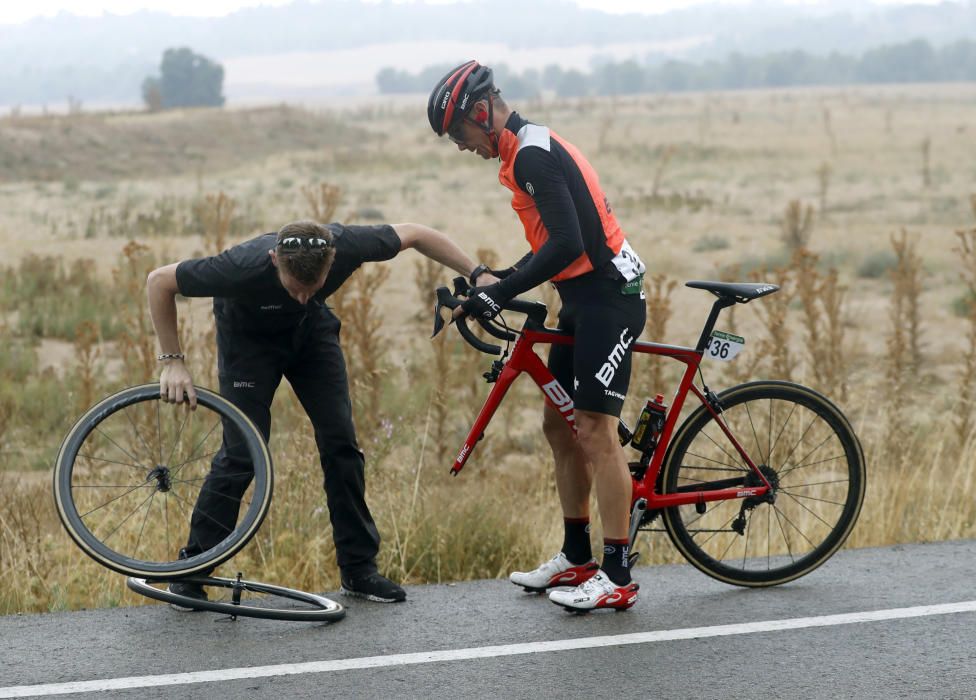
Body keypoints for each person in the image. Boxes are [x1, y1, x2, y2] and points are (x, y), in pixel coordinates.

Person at [147, 220, 486, 607]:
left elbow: (417, 234)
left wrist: (478, 273)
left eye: (314, 287)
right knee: (243, 454)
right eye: (294, 287)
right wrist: (172, 361)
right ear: (274, 260)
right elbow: (159, 281)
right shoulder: (240, 266)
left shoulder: (346, 245)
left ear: (333, 260)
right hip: (248, 344)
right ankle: (191, 572)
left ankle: (359, 570)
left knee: (341, 443)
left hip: (311, 338)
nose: (303, 296)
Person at [428, 61, 648, 612]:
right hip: (581, 297)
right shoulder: (523, 151)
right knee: (560, 423)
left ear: (481, 113)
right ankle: (578, 557)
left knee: (595, 430)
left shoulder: (530, 156)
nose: (460, 146)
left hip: (609, 298)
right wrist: (501, 280)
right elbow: (554, 243)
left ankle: (617, 574)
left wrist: (497, 294)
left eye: (459, 133)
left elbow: (569, 245)